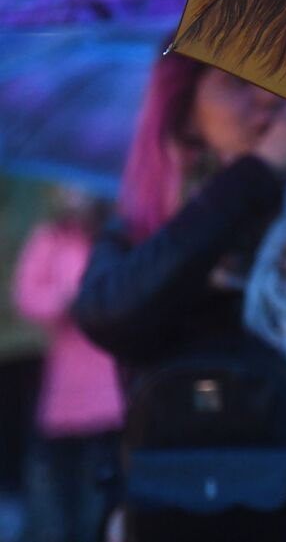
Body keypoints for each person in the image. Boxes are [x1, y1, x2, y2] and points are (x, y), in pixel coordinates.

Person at [72, 54, 286, 542]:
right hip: (166, 511)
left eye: (274, 79)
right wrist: (256, 171)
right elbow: (107, 315)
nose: (265, 97)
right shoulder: (140, 230)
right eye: (235, 81)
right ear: (183, 112)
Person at [11, 186, 124, 542]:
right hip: (65, 390)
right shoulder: (51, 236)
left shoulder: (116, 233)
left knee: (106, 486)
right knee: (64, 487)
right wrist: (66, 299)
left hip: (112, 389)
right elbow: (27, 296)